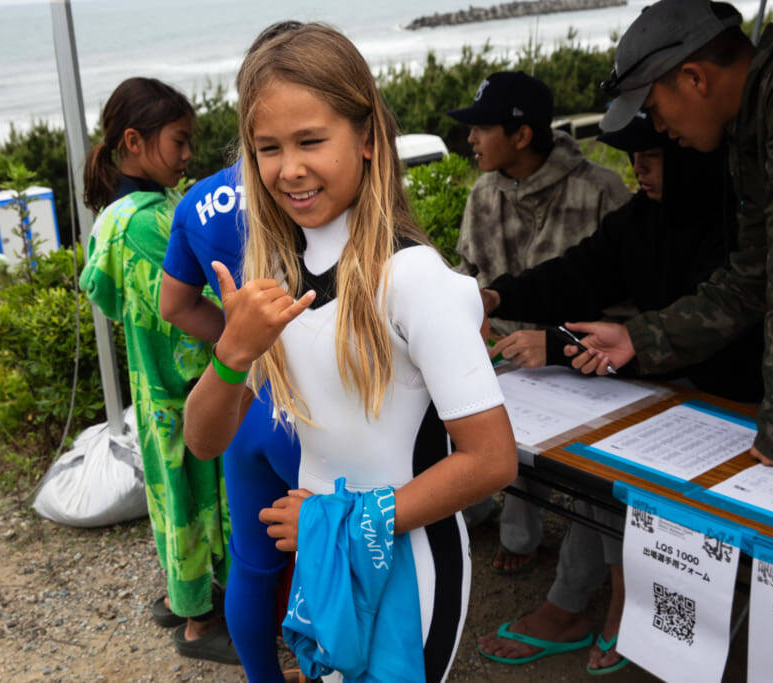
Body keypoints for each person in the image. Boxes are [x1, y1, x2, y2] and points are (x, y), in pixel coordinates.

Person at [182, 23, 516, 682]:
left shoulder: (413, 279)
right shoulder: (274, 277)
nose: (289, 168)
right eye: (268, 148)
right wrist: (231, 353)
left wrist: (338, 520)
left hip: (410, 571)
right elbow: (203, 440)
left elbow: (491, 460)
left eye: (311, 141)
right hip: (327, 555)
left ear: (367, 139)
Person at [476, 113, 763, 674]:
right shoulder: (642, 217)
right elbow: (577, 273)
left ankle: (595, 604)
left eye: (652, 157)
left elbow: (712, 333)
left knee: (606, 471)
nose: (639, 171)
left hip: (728, 401)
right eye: (634, 158)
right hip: (656, 386)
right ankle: (588, 602)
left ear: (694, 158)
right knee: (591, 459)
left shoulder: (738, 225)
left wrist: (558, 347)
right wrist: (495, 296)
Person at [566, 0, 773, 464]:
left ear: (695, 77)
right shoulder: (755, 118)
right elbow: (752, 276)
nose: (659, 128)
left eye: (653, 108)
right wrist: (638, 339)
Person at [160, 22, 305, 683]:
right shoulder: (315, 184)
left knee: (252, 563)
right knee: (330, 549)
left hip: (246, 400)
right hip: (316, 403)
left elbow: (173, 304)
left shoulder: (198, 200)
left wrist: (238, 340)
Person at [78, 77, 236, 663]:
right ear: (134, 142)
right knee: (195, 505)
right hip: (183, 390)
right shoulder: (142, 223)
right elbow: (183, 309)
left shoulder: (121, 214)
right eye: (179, 140)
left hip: (160, 387)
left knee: (177, 502)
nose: (189, 153)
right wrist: (245, 332)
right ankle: (199, 624)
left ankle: (183, 595)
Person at [447, 70, 630, 573]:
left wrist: (558, 344)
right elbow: (468, 273)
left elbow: (628, 304)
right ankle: (484, 518)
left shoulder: (600, 190)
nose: (470, 139)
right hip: (501, 352)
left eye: (482, 127)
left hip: (580, 358)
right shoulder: (484, 193)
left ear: (522, 135)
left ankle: (536, 545)